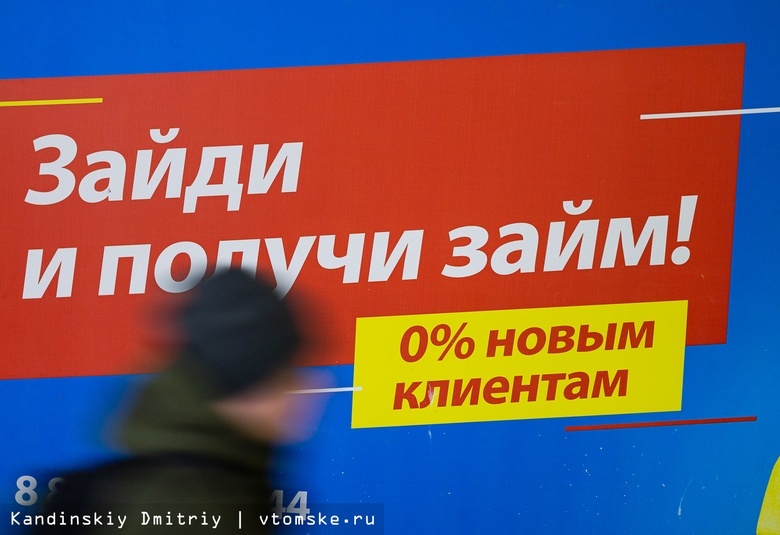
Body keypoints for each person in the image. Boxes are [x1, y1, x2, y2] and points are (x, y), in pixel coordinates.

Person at [33, 269, 320, 534]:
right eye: (285, 374)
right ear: (247, 385)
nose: (307, 388)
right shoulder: (193, 506)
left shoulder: (219, 480)